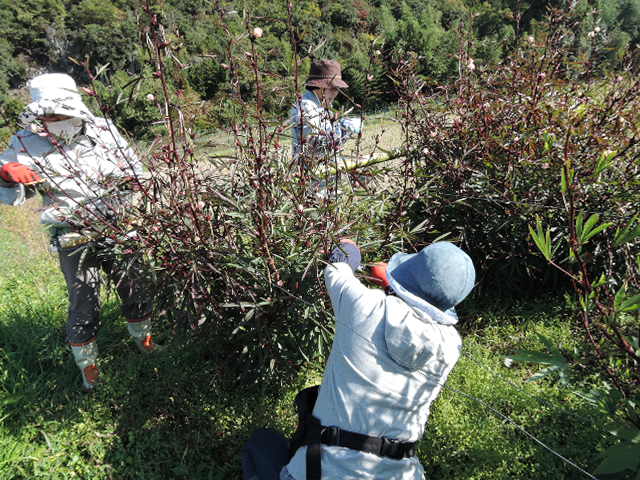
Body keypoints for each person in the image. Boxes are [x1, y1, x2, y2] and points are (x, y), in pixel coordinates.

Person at [242, 239, 476, 479]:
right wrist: (396, 287)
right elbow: (413, 319)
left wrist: (349, 247)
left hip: (320, 472)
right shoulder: (451, 346)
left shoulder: (365, 305)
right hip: (401, 474)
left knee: (264, 443)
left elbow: (337, 266)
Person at [0, 73, 159, 392]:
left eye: (59, 114)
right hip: (72, 235)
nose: (53, 121)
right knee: (84, 301)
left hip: (118, 224)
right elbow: (13, 187)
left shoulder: (103, 130)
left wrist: (128, 188)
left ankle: (146, 342)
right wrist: (6, 175)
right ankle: (89, 368)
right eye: (48, 116)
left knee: (134, 287)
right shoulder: (24, 142)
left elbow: (135, 171)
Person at [290, 59, 362, 161]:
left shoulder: (321, 105)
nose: (336, 93)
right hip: (309, 170)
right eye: (333, 88)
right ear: (319, 87)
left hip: (324, 166)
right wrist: (344, 129)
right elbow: (315, 142)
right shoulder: (306, 107)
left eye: (337, 89)